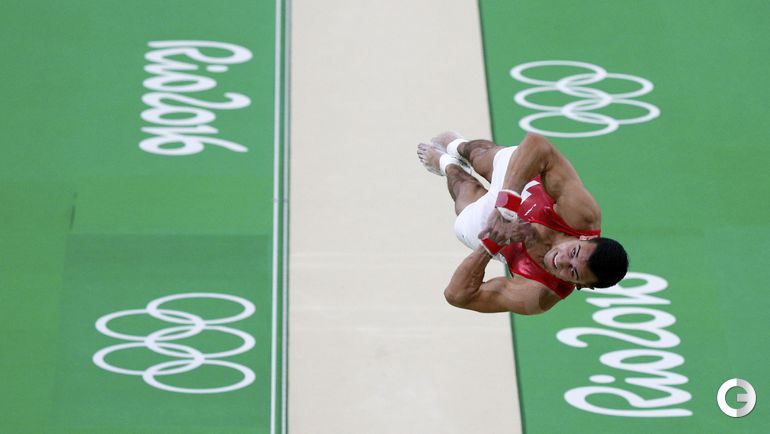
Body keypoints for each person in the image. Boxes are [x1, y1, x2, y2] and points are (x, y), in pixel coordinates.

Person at [417, 131, 628, 315]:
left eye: (572, 272)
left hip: (493, 237)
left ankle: (449, 165)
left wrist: (492, 243)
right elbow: (538, 145)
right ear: (585, 239)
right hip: (522, 188)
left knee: (464, 190)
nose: (561, 261)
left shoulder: (538, 294)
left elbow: (457, 296)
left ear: (582, 286)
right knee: (482, 155)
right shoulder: (582, 216)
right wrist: (506, 209)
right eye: (573, 252)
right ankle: (458, 147)